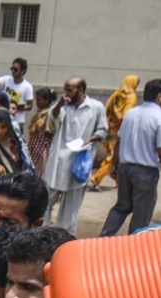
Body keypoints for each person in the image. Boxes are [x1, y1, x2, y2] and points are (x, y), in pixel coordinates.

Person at [99, 79, 161, 237]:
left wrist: (115, 166)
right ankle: (134, 243)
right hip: (145, 172)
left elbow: (119, 142)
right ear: (159, 96)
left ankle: (104, 237)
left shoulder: (130, 115)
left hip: (125, 168)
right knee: (142, 211)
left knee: (122, 206)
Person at [42, 77, 109, 234]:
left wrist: (91, 139)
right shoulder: (64, 107)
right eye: (65, 89)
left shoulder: (95, 107)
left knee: (71, 210)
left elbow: (102, 131)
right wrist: (60, 103)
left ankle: (63, 240)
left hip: (79, 162)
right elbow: (52, 117)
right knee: (45, 201)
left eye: (69, 90)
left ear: (80, 90)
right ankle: (41, 234)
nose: (66, 93)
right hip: (58, 162)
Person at [90, 75, 139, 189]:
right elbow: (127, 115)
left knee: (115, 156)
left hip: (111, 129)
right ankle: (96, 178)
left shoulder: (116, 94)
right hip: (122, 131)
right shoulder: (131, 97)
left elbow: (107, 108)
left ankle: (118, 181)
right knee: (114, 156)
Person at [0, 56, 34, 126]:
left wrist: (15, 107)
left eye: (16, 69)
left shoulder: (27, 86)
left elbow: (29, 106)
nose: (13, 71)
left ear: (23, 71)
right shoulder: (7, 79)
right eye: (12, 69)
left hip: (18, 121)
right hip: (5, 118)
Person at [27, 87, 58, 172]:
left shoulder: (49, 114)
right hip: (34, 144)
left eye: (39, 100)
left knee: (40, 171)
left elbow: (50, 132)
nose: (37, 102)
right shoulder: (39, 113)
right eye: (36, 99)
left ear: (47, 100)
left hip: (42, 146)